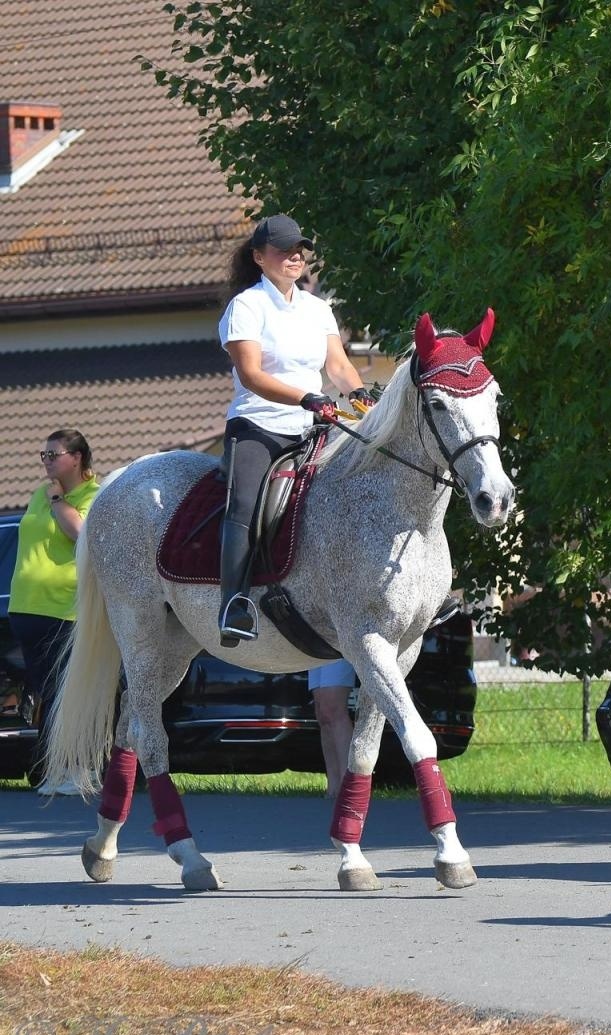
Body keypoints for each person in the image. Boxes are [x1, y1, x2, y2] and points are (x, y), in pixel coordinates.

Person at [217, 213, 372, 645]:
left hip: (314, 424)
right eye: (284, 250)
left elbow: (338, 366)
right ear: (259, 258)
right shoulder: (246, 307)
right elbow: (250, 375)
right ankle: (233, 603)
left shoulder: (317, 308)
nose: (295, 256)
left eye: (299, 249)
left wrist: (361, 397)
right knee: (245, 504)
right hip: (259, 424)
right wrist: (305, 397)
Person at [9, 430, 100, 793]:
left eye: (53, 454)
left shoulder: (95, 495)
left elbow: (80, 534)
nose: (46, 461)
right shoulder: (38, 494)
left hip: (65, 610)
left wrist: (60, 500)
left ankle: (78, 771)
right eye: (42, 455)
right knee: (50, 692)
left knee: (68, 691)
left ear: (76, 458)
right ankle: (56, 770)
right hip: (27, 608)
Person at [307, 660, 355, 798]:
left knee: (334, 708)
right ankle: (333, 788)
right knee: (323, 713)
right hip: (318, 644)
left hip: (338, 643)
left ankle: (349, 787)